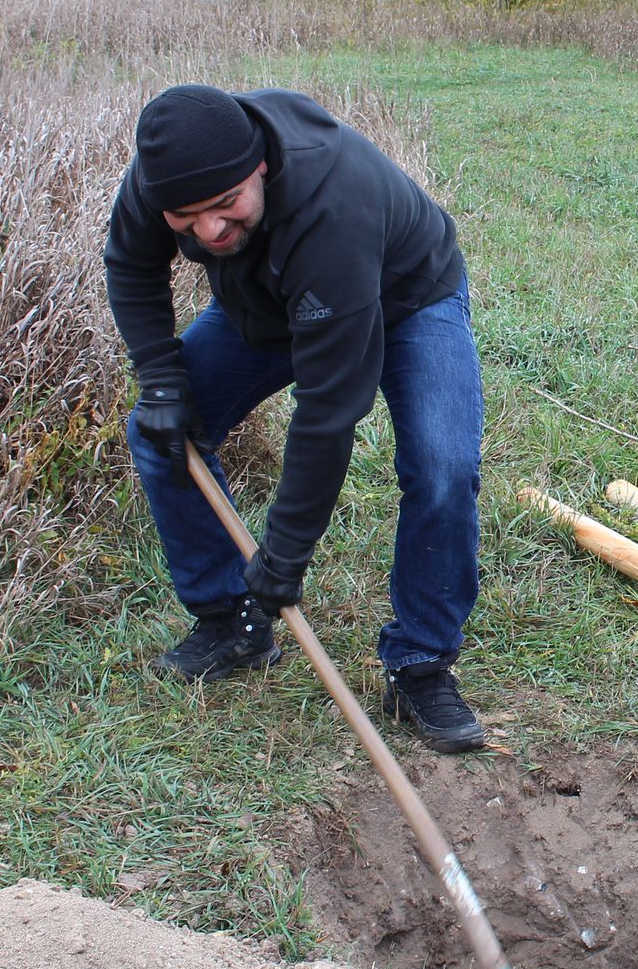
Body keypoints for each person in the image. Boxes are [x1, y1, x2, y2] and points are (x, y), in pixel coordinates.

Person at [105, 84, 490, 754]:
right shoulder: (164, 175)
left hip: (407, 299)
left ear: (258, 167)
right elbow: (131, 268)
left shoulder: (330, 205)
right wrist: (162, 382)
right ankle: (232, 624)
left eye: (225, 208)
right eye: (185, 219)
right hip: (270, 304)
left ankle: (420, 663)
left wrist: (285, 552)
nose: (209, 233)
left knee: (443, 466)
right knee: (158, 431)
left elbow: (328, 411)